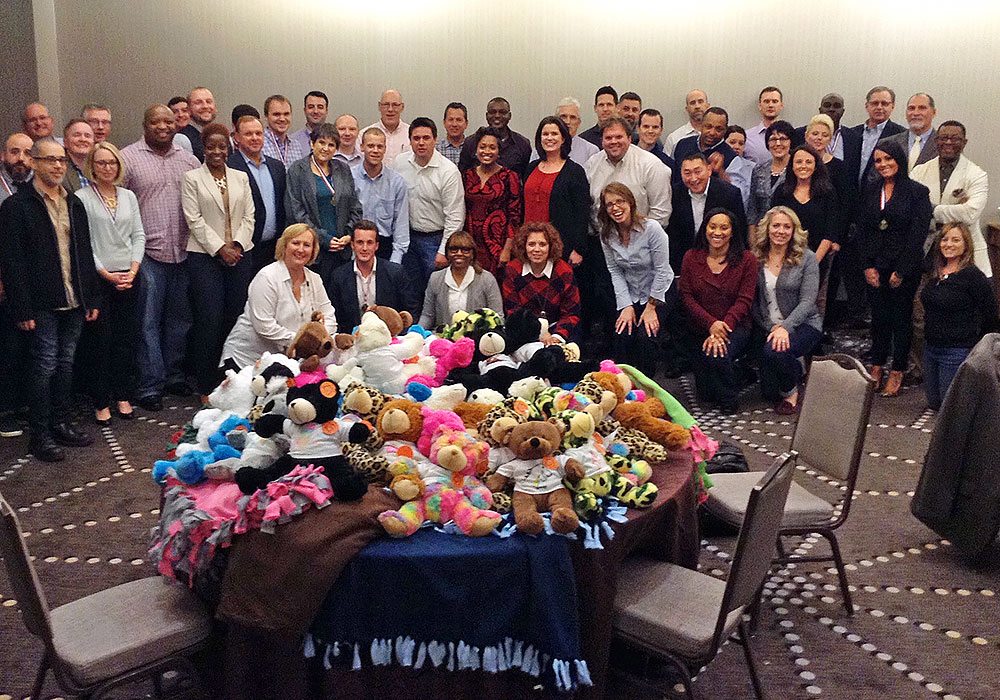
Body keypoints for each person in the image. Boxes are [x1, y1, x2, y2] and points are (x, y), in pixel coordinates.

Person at [0, 138, 102, 461]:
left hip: (73, 298)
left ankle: (62, 423)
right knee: (43, 365)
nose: (57, 166)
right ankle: (40, 435)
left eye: (61, 160)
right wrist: (21, 306)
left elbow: (84, 254)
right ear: (33, 162)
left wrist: (91, 297)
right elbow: (12, 261)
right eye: (50, 160)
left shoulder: (75, 203)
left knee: (66, 363)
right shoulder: (17, 207)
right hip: (40, 302)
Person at [121, 104, 200, 411]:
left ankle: (174, 376)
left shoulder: (188, 160)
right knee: (147, 323)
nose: (164, 127)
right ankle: (149, 384)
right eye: (157, 122)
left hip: (183, 252)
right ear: (145, 124)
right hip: (147, 255)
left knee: (180, 321)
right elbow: (119, 207)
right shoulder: (128, 159)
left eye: (169, 122)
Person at [181, 122, 256, 398]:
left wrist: (236, 245)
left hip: (239, 256)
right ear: (203, 147)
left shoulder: (241, 177)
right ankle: (205, 384)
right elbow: (194, 219)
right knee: (208, 321)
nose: (216, 151)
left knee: (234, 319)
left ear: (229, 147)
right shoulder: (192, 178)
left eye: (222, 146)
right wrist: (220, 248)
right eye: (211, 146)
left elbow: (250, 215)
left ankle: (230, 381)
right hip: (205, 258)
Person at [75, 142, 145, 425]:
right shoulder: (81, 198)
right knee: (100, 342)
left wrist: (133, 269)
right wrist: (106, 274)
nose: (107, 168)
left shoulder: (128, 196)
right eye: (102, 163)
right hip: (100, 280)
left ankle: (123, 395)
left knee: (126, 339)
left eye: (112, 163)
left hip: (130, 277)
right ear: (92, 166)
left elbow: (139, 235)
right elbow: (83, 242)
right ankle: (101, 400)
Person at [858, 140, 933, 397]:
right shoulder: (870, 190)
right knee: (879, 319)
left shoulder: (917, 192)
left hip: (904, 267)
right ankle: (877, 366)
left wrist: (900, 271)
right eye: (878, 160)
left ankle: (898, 369)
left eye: (888, 159)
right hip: (875, 267)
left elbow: (918, 235)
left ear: (899, 160)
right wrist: (868, 265)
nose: (883, 164)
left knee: (901, 320)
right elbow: (864, 230)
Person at [221, 224, 337, 369]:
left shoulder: (315, 279)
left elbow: (330, 316)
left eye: (307, 245)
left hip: (287, 364)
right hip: (247, 361)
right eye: (295, 243)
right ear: (284, 246)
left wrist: (320, 339)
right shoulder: (267, 277)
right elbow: (264, 326)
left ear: (313, 251)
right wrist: (302, 341)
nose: (301, 249)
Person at [679, 208, 758, 414]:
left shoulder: (747, 259)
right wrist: (711, 324)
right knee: (705, 394)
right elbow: (686, 297)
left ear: (732, 232)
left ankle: (729, 401)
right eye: (712, 226)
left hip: (735, 326)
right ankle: (740, 373)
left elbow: (745, 299)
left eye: (724, 227)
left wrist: (723, 326)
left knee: (716, 354)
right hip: (700, 327)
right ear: (705, 229)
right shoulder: (691, 257)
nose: (717, 232)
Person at [750, 206, 823, 414]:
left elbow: (808, 301)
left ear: (794, 230)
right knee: (768, 393)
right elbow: (753, 302)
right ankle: (795, 368)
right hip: (768, 325)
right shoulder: (755, 258)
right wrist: (770, 326)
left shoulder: (807, 258)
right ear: (767, 228)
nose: (780, 231)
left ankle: (792, 391)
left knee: (775, 351)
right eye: (776, 226)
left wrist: (785, 327)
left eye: (786, 227)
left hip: (803, 323)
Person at [598, 182, 675, 377]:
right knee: (621, 333)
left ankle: (646, 386)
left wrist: (651, 308)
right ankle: (623, 387)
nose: (615, 208)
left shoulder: (652, 229)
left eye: (620, 201)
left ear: (631, 203)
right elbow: (614, 271)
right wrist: (625, 305)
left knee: (645, 336)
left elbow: (662, 270)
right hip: (631, 293)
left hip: (659, 292)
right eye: (609, 204)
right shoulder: (606, 234)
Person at [919, 223, 998, 409]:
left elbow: (990, 313)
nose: (949, 244)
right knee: (934, 402)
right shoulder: (935, 273)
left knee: (951, 407)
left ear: (966, 245)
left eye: (956, 240)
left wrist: (977, 346)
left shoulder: (973, 276)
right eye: (945, 239)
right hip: (931, 348)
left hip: (955, 350)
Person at [394, 117, 465, 307]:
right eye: (416, 138)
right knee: (410, 291)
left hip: (435, 239)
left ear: (435, 140)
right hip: (408, 238)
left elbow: (455, 216)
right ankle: (414, 329)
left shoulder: (448, 171)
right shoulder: (400, 163)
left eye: (426, 138)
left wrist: (443, 251)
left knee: (436, 292)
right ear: (410, 141)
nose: (421, 143)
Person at [285, 122, 363, 285]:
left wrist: (349, 234)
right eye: (321, 142)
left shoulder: (342, 169)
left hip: (342, 248)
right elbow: (296, 212)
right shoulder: (297, 170)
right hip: (312, 249)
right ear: (312, 143)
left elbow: (354, 205)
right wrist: (323, 238)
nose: (326, 148)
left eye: (331, 145)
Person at [771, 145, 842, 313]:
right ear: (792, 165)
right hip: (783, 259)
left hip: (817, 258)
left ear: (816, 166)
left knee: (811, 304)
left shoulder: (828, 193)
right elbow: (772, 226)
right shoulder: (782, 192)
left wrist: (812, 263)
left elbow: (830, 231)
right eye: (798, 162)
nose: (803, 166)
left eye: (808, 162)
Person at [523, 116, 590, 270]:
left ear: (563, 139)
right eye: (545, 134)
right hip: (530, 245)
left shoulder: (574, 171)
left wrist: (578, 249)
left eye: (554, 134)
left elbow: (582, 213)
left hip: (561, 247)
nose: (549, 138)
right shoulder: (531, 167)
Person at [584, 116, 672, 230]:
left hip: (641, 241)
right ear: (602, 140)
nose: (614, 141)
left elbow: (661, 212)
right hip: (601, 240)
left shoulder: (651, 165)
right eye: (608, 138)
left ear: (630, 139)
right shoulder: (592, 164)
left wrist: (640, 239)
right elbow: (589, 207)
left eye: (619, 137)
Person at [326, 222, 417, 332]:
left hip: (389, 340)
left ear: (376, 246)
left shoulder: (396, 273)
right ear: (352, 245)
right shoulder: (339, 276)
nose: (364, 248)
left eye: (369, 243)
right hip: (352, 341)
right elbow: (334, 316)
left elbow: (411, 312)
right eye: (360, 242)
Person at [667, 153, 747, 275]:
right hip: (685, 262)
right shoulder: (674, 193)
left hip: (723, 262)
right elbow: (673, 236)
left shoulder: (729, 194)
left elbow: (739, 233)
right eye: (687, 173)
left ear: (709, 170)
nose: (693, 178)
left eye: (698, 171)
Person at [501, 222, 580, 343]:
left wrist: (556, 337)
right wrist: (538, 335)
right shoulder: (513, 269)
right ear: (524, 246)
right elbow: (513, 311)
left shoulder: (564, 271)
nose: (536, 249)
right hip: (524, 331)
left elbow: (571, 313)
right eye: (531, 244)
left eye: (542, 244)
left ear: (551, 247)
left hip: (556, 329)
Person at [228, 115, 287, 273]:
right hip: (243, 249)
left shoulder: (277, 167)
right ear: (237, 138)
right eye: (248, 134)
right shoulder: (229, 167)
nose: (254, 138)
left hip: (273, 250)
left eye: (258, 133)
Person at [462, 126, 522, 275]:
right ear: (476, 150)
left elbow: (515, 217)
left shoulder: (509, 177)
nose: (486, 151)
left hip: (497, 244)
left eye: (492, 147)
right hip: (470, 243)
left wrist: (507, 250)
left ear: (498, 151)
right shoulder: (467, 176)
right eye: (482, 147)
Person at [419, 230, 503, 329]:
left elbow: (498, 317)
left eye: (465, 250)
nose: (459, 253)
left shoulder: (487, 279)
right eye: (453, 250)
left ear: (473, 254)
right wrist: (416, 332)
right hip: (443, 340)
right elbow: (428, 316)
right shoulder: (435, 278)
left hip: (478, 340)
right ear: (447, 253)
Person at [352, 127, 409, 263]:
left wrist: (395, 260)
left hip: (385, 246)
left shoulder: (396, 182)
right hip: (355, 246)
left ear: (385, 148)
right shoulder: (349, 177)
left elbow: (401, 224)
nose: (375, 150)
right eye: (371, 146)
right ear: (362, 147)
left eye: (379, 146)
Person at [457, 97, 532, 180]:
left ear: (509, 116)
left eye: (502, 112)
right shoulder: (471, 142)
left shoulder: (523, 144)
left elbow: (525, 178)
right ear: (486, 116)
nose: (497, 116)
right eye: (492, 112)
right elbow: (462, 176)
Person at [845, 86, 905, 186]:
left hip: (881, 193)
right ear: (867, 106)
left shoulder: (900, 135)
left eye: (884, 103)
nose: (879, 107)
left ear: (892, 106)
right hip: (851, 193)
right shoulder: (851, 133)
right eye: (874, 103)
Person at [747, 120, 794, 230]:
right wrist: (753, 241)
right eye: (773, 139)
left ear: (791, 142)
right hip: (762, 232)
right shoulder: (759, 169)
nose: (778, 144)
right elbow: (752, 209)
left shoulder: (797, 168)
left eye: (783, 139)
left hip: (787, 231)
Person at [878, 93, 937, 173]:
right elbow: (875, 177)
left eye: (922, 108)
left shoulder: (943, 144)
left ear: (934, 112)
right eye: (911, 108)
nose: (915, 113)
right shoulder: (887, 143)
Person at [261, 94, 308, 169]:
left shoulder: (296, 145)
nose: (282, 119)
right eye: (276, 114)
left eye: (286, 114)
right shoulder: (259, 144)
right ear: (266, 117)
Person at [365, 89, 410, 163]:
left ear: (402, 107)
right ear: (379, 106)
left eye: (395, 105)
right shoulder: (364, 135)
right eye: (386, 104)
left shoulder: (412, 135)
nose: (390, 109)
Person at [744, 86, 785, 164]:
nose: (770, 105)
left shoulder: (791, 136)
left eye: (775, 101)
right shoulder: (747, 137)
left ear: (781, 106)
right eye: (766, 101)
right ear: (759, 106)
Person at [663, 89, 709, 156]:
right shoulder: (674, 138)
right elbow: (665, 164)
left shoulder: (716, 135)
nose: (697, 106)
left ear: (708, 106)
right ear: (687, 109)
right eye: (692, 103)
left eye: (700, 102)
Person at [555, 97, 599, 165]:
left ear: (579, 123)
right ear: (556, 120)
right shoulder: (541, 149)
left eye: (573, 117)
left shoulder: (591, 151)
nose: (567, 122)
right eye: (563, 116)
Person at [179, 86, 218, 162]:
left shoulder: (223, 136)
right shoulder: (182, 138)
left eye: (209, 102)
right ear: (188, 109)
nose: (205, 106)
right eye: (198, 103)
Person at [290, 90, 329, 155]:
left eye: (320, 107)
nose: (315, 111)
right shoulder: (292, 141)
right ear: (305, 111)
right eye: (311, 107)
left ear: (326, 111)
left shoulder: (335, 140)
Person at [724, 125, 755, 208]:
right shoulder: (715, 165)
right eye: (732, 142)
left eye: (741, 144)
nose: (737, 147)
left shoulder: (753, 168)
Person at [61, 119, 94, 192]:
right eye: (77, 135)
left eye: (87, 136)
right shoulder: (60, 168)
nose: (83, 139)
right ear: (65, 142)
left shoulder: (98, 167)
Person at [1, 132, 33, 202]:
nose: (21, 158)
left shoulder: (41, 185)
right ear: (3, 155)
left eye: (27, 153)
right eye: (14, 152)